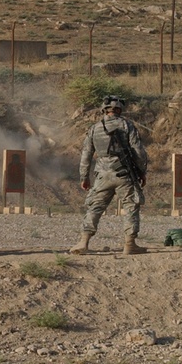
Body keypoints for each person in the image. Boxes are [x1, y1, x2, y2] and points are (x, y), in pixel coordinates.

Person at [70, 95, 148, 256]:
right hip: (125, 174)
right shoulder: (128, 126)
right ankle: (129, 244)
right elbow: (139, 152)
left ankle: (83, 242)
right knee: (131, 206)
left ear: (104, 110)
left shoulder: (94, 128)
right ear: (119, 110)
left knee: (95, 207)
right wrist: (142, 172)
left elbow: (86, 156)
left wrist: (84, 177)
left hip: (102, 175)